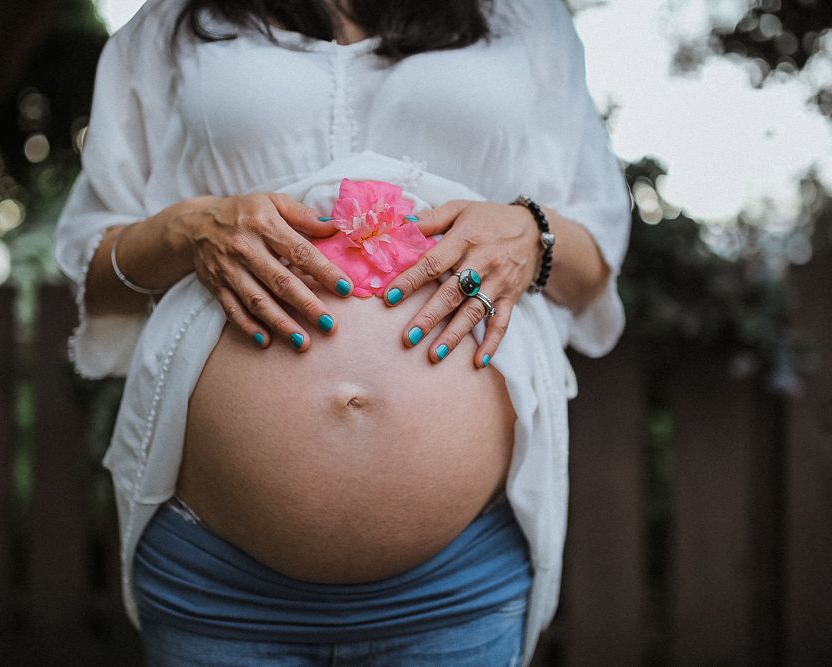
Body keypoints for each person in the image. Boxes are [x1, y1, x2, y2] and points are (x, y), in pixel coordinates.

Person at [53, 0, 631, 665]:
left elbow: (594, 271)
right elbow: (95, 273)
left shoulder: (524, 18)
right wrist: (187, 230)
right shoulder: (179, 21)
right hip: (217, 580)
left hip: (456, 583)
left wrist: (535, 235)